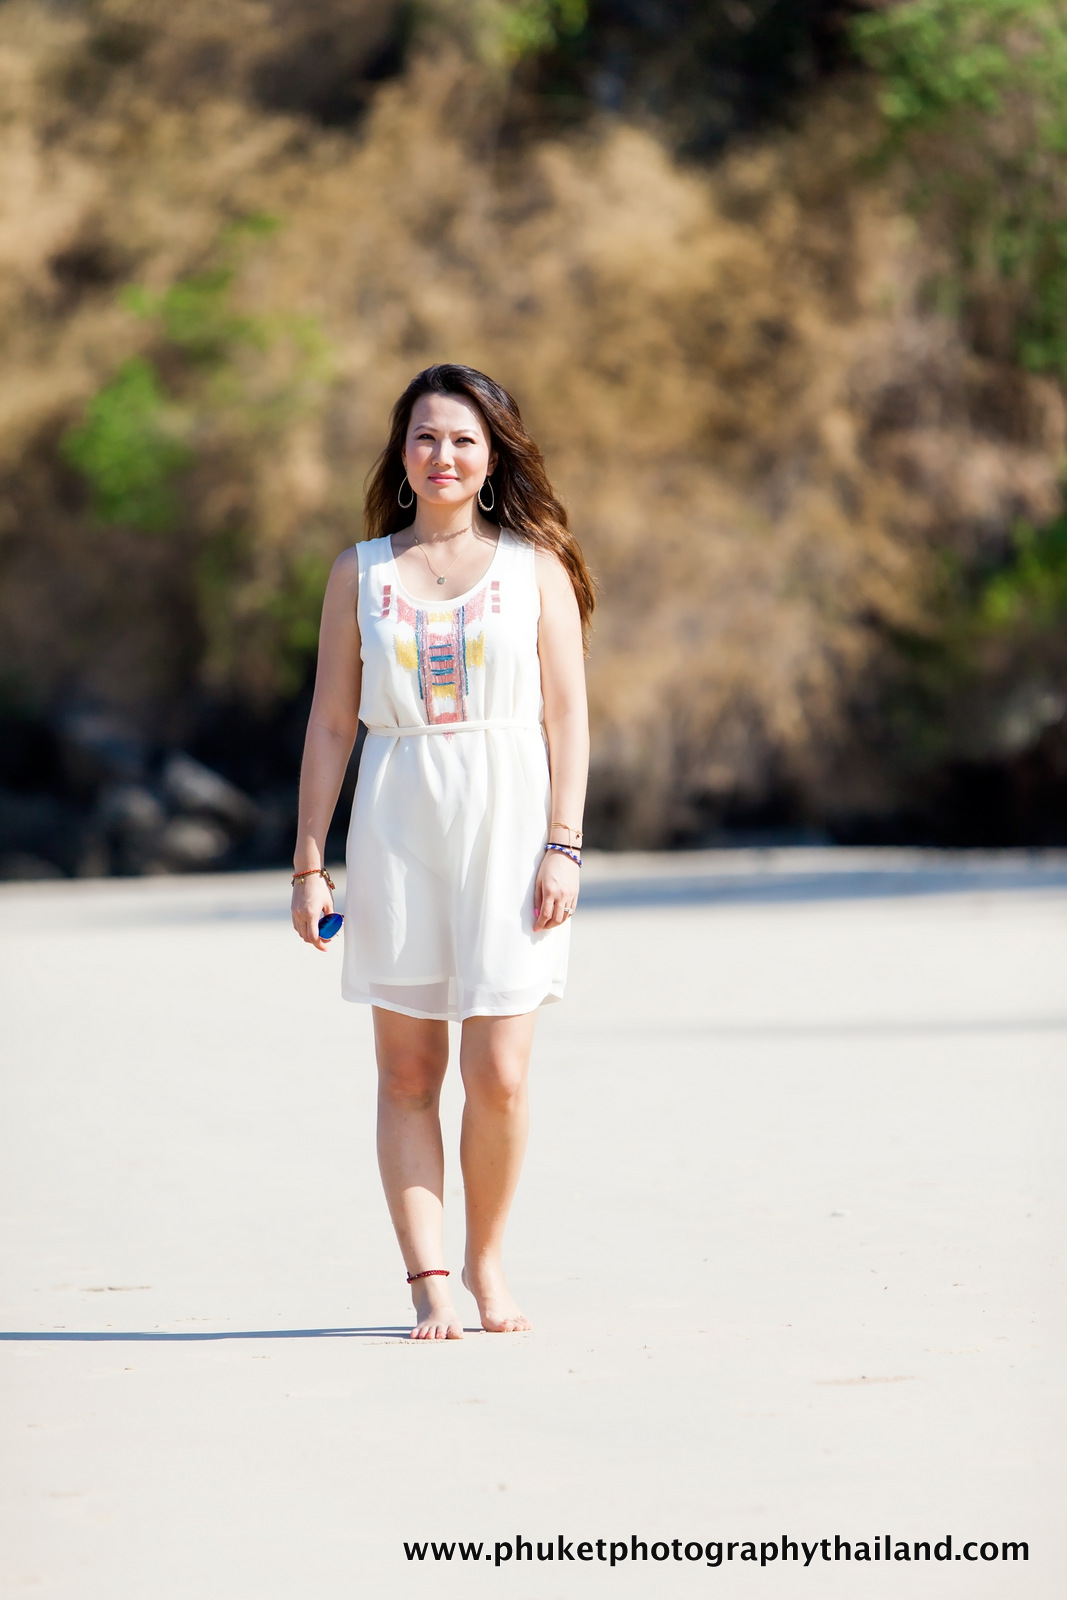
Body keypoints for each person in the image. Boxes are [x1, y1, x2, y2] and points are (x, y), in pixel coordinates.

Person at [291, 364, 594, 1340]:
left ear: (493, 453)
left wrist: (563, 845)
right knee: (408, 1070)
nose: (443, 455)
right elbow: (332, 724)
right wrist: (307, 859)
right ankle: (426, 1278)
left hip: (512, 821)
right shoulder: (360, 572)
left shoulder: (532, 568)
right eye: (424, 437)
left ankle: (486, 1258)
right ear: (401, 452)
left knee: (500, 1071)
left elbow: (567, 719)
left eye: (462, 439)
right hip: (397, 818)